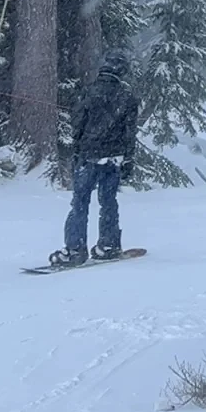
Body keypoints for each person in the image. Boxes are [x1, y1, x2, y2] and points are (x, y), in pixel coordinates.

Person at [51, 49, 139, 266]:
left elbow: (77, 123)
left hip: (89, 156)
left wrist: (78, 147)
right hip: (114, 158)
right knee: (108, 201)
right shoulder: (128, 98)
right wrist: (128, 158)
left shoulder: (89, 92)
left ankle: (74, 249)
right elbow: (130, 132)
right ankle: (108, 245)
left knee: (80, 202)